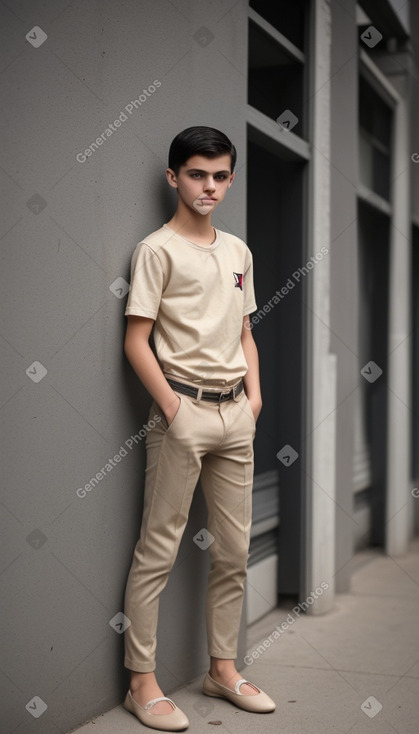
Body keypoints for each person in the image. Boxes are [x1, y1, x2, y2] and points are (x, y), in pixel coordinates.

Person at [122, 126, 276, 730]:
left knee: (234, 551)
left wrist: (255, 398)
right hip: (180, 415)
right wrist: (173, 408)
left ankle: (222, 670)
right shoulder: (155, 250)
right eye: (196, 174)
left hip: (237, 414)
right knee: (158, 549)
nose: (208, 186)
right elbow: (136, 340)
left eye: (219, 176)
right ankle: (142, 683)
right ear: (173, 178)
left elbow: (244, 331)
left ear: (230, 179)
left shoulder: (239, 251)